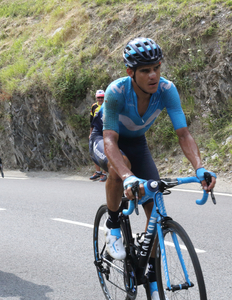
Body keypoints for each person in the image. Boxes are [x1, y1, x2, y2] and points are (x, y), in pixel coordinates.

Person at [89, 37, 216, 299]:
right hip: (105, 140)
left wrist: (199, 168)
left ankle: (152, 276)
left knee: (155, 207)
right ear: (130, 73)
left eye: (156, 67)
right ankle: (113, 227)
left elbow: (183, 134)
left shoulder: (167, 90)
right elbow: (111, 141)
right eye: (145, 70)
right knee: (121, 165)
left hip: (136, 142)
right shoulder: (116, 92)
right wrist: (127, 177)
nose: (153, 75)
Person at [89, 90, 107, 182]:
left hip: (105, 130)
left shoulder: (107, 105)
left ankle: (104, 173)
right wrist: (90, 133)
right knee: (93, 150)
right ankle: (98, 172)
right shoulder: (94, 106)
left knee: (104, 151)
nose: (100, 99)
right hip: (96, 131)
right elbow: (91, 121)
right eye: (98, 97)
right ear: (96, 98)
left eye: (102, 97)